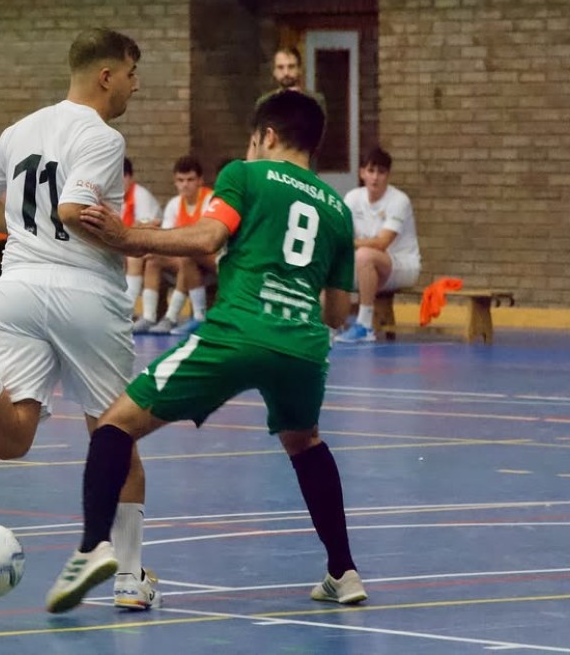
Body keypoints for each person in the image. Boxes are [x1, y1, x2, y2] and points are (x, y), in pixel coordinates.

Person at [45, 90, 367, 614]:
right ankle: (343, 571)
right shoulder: (337, 208)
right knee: (305, 442)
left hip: (238, 331)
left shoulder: (246, 173)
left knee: (113, 426)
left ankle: (91, 549)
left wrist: (129, 237)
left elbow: (208, 238)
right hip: (304, 346)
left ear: (266, 137)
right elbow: (336, 313)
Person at [0, 28, 159, 611]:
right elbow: (74, 207)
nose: (135, 85)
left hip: (14, 289)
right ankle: (129, 577)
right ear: (105, 75)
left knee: (12, 437)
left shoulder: (22, 130)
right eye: (132, 72)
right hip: (84, 291)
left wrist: (17, 228)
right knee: (115, 431)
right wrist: (130, 237)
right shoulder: (102, 135)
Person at [335, 147, 421, 343]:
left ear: (388, 175)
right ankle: (328, 322)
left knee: (364, 255)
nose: (375, 177)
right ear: (362, 173)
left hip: (402, 266)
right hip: (366, 266)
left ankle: (365, 326)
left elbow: (382, 243)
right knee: (328, 260)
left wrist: (352, 244)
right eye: (371, 171)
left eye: (381, 172)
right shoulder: (353, 198)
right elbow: (340, 236)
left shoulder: (399, 200)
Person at [132, 156, 215, 335]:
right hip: (184, 260)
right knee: (153, 259)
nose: (185, 185)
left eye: (190, 180)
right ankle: (149, 317)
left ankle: (173, 317)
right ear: (175, 182)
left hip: (208, 263)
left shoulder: (210, 201)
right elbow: (166, 242)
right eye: (180, 180)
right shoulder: (174, 204)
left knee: (187, 256)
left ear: (200, 181)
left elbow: (206, 241)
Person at [121, 157, 162, 308]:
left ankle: (127, 308)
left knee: (134, 257)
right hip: (126, 247)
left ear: (130, 177)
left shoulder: (141, 195)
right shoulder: (114, 198)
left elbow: (146, 230)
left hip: (151, 248)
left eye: (122, 178)